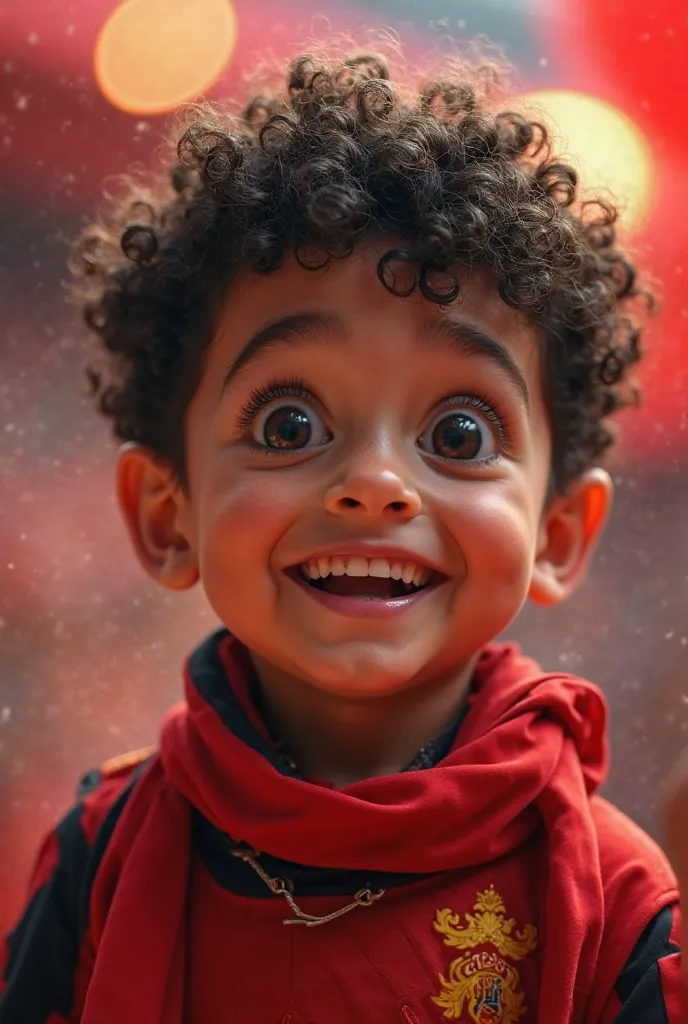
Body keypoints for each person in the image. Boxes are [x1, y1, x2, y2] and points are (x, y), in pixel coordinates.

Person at [0, 45, 682, 1024]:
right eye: (289, 425)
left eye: (459, 433)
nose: (374, 484)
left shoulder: (613, 897)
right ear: (168, 512)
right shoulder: (102, 852)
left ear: (558, 534)